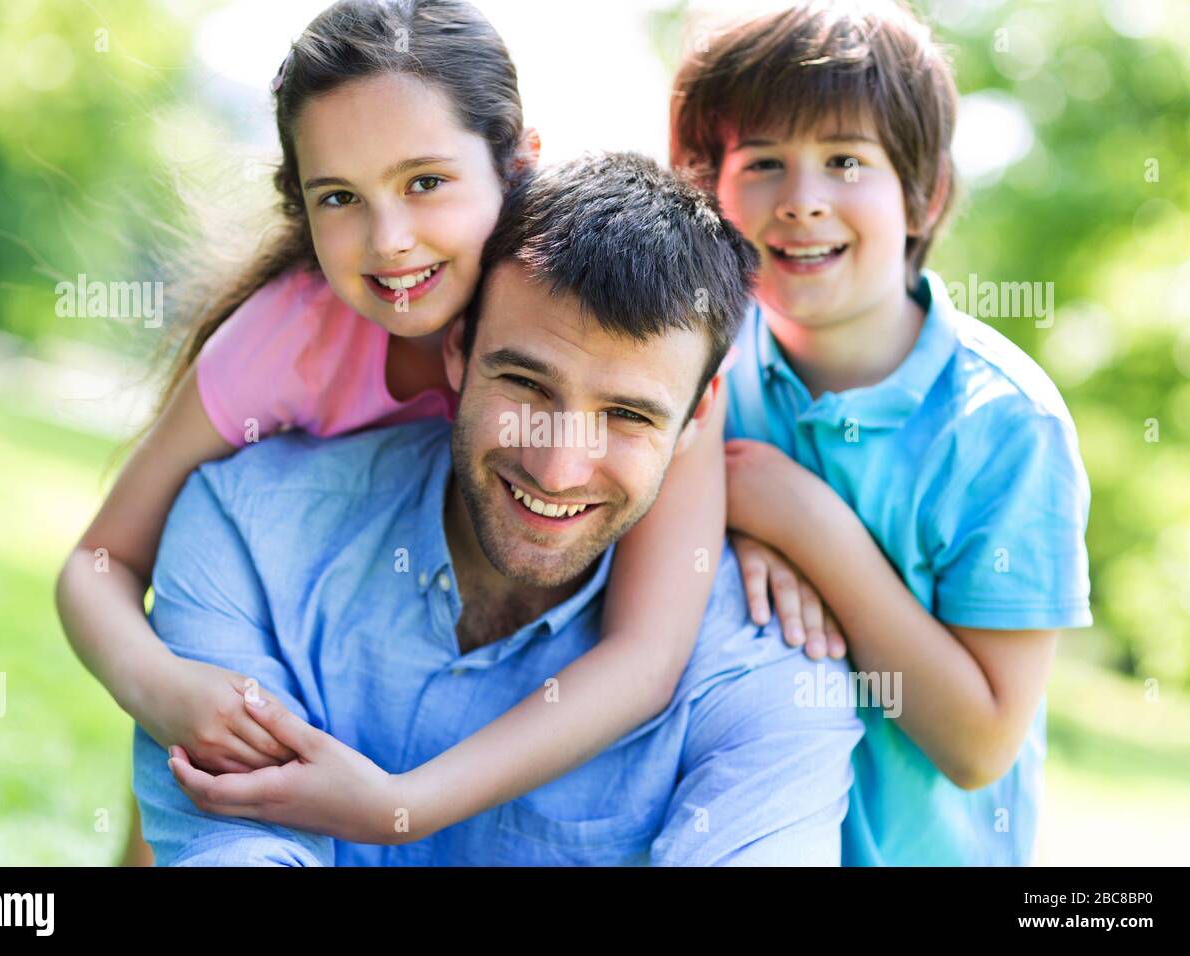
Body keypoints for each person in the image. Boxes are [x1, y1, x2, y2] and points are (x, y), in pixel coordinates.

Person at [55, 0, 738, 865]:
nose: (390, 241)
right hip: (289, 620)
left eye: (425, 182)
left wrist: (400, 808)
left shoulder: (616, 325)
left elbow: (647, 653)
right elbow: (98, 562)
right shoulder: (287, 340)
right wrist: (160, 686)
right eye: (339, 196)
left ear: (519, 162)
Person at [139, 152, 863, 865]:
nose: (557, 467)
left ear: (699, 414)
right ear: (457, 350)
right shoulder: (247, 529)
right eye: (524, 383)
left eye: (627, 416)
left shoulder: (764, 675)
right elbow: (231, 844)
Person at [671, 0, 1092, 865]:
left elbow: (979, 743)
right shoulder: (697, 362)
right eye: (763, 162)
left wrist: (805, 527)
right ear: (709, 187)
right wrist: (729, 525)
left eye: (843, 160)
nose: (801, 200)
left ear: (924, 193)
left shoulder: (1005, 426)